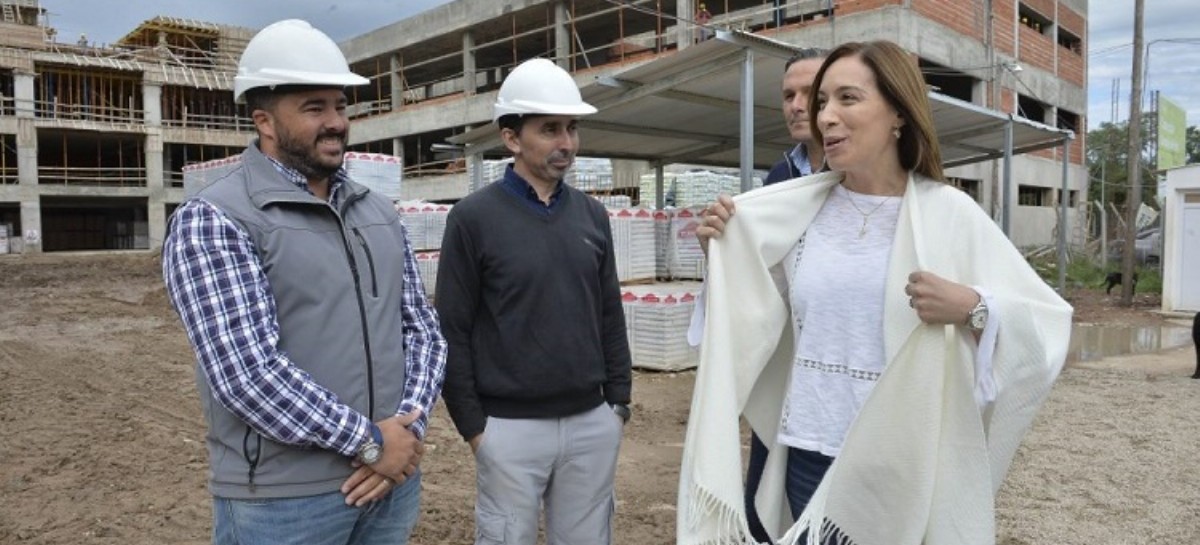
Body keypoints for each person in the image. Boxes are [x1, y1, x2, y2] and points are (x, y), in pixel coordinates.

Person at [678, 40, 1073, 545]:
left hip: (902, 458)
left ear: (898, 115)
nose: (825, 117)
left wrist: (973, 307)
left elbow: (1047, 323)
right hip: (809, 451)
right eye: (823, 103)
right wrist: (724, 255)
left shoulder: (948, 214)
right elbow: (755, 317)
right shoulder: (793, 212)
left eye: (847, 98)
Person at [161, 19, 447, 545]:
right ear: (265, 122)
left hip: (391, 485)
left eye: (340, 105)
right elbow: (247, 374)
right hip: (284, 503)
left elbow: (423, 333)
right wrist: (369, 443)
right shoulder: (216, 219)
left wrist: (407, 431)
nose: (336, 122)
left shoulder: (378, 213)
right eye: (314, 108)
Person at [436, 58, 633, 545]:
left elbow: (608, 310)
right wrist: (476, 429)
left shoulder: (592, 216)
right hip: (508, 429)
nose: (566, 143)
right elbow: (453, 329)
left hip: (592, 422)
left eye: (571, 128)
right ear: (511, 137)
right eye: (549, 129)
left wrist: (618, 404)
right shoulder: (472, 219)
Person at [765, 48, 828, 186]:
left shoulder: (863, 172)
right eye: (789, 96)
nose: (795, 106)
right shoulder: (778, 176)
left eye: (810, 93)